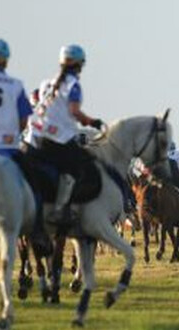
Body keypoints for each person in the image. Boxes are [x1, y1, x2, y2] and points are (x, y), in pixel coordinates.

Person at [30, 44, 104, 225]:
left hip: (35, 135)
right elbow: (75, 112)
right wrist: (92, 122)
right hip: (57, 138)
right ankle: (60, 210)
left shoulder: (46, 83)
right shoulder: (73, 85)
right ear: (79, 64)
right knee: (77, 168)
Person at [0, 39, 51, 251]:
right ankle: (37, 230)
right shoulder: (14, 85)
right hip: (8, 150)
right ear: (5, 60)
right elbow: (24, 120)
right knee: (34, 182)